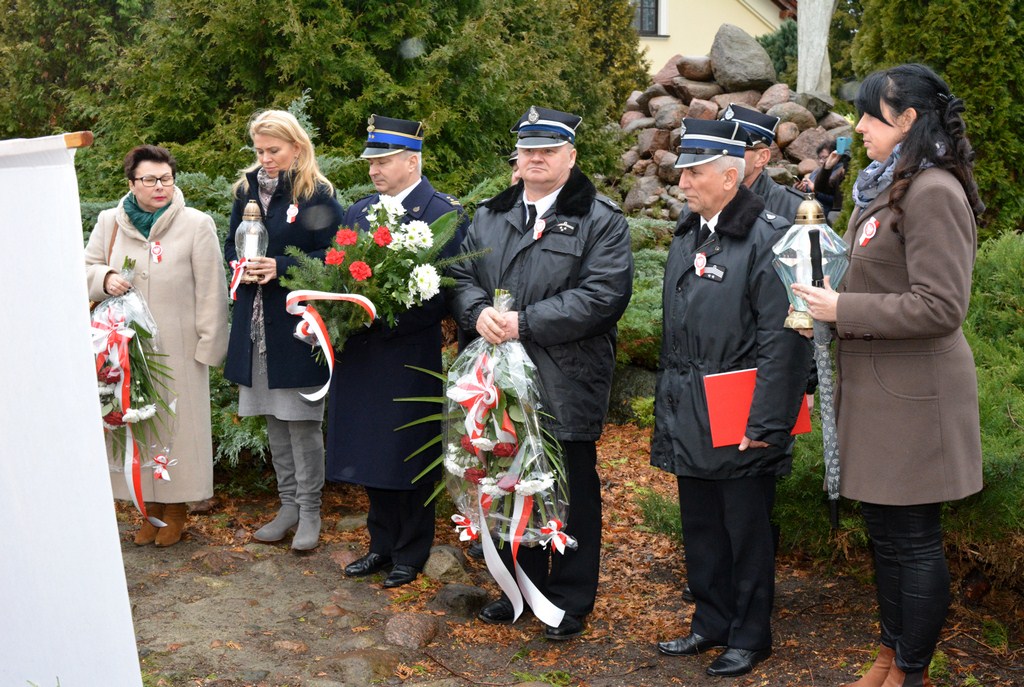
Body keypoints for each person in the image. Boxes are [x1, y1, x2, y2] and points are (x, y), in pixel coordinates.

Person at [792, 63, 984, 687]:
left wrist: (842, 309)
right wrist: (828, 300)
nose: (859, 126)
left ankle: (910, 670)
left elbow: (941, 305)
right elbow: (885, 277)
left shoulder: (933, 191)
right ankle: (890, 656)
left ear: (907, 121)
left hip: (914, 396)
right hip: (878, 391)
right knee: (887, 537)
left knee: (912, 539)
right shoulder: (888, 184)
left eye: (873, 115)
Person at [449, 105, 634, 640]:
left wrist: (525, 322)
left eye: (548, 150)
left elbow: (603, 297)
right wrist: (475, 311)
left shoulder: (601, 219)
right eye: (528, 149)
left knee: (569, 485)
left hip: (564, 377)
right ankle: (515, 591)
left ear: (570, 157)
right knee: (508, 480)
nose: (535, 157)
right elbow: (460, 275)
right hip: (496, 380)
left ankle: (569, 598)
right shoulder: (488, 215)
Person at [651, 119, 810, 677]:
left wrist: (767, 422)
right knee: (701, 526)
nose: (683, 182)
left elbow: (784, 342)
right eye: (682, 172)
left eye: (694, 172)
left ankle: (750, 633)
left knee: (746, 532)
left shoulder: (767, 238)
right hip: (690, 406)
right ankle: (710, 621)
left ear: (729, 174)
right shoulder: (691, 230)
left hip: (741, 413)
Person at [328, 115, 467, 588]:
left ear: (413, 161)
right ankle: (380, 545)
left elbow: (447, 287)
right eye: (371, 161)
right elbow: (338, 277)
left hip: (407, 352)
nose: (374, 170)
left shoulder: (441, 213)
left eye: (384, 161)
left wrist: (381, 317)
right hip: (361, 355)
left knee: (407, 453)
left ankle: (411, 550)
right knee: (370, 451)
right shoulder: (358, 212)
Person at [86, 144, 229, 547]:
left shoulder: (196, 224)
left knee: (178, 428)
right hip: (125, 351)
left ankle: (176, 508)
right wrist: (106, 276)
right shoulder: (108, 222)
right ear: (132, 183)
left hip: (180, 349)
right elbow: (84, 269)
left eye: (166, 178)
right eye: (150, 179)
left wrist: (209, 347)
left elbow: (212, 291)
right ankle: (146, 507)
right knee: (135, 425)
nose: (160, 186)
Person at [224, 110, 345, 551]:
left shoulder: (320, 195)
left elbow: (335, 258)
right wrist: (241, 265)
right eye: (259, 150)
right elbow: (230, 242)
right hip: (256, 326)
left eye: (273, 150)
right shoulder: (246, 190)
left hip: (298, 329)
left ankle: (311, 511)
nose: (265, 158)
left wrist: (282, 267)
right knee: (274, 420)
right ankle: (288, 505)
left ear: (297, 146)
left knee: (302, 423)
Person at [721, 104, 806, 221]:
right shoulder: (702, 197)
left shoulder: (795, 207)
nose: (723, 154)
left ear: (761, 157)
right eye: (718, 147)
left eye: (736, 148)